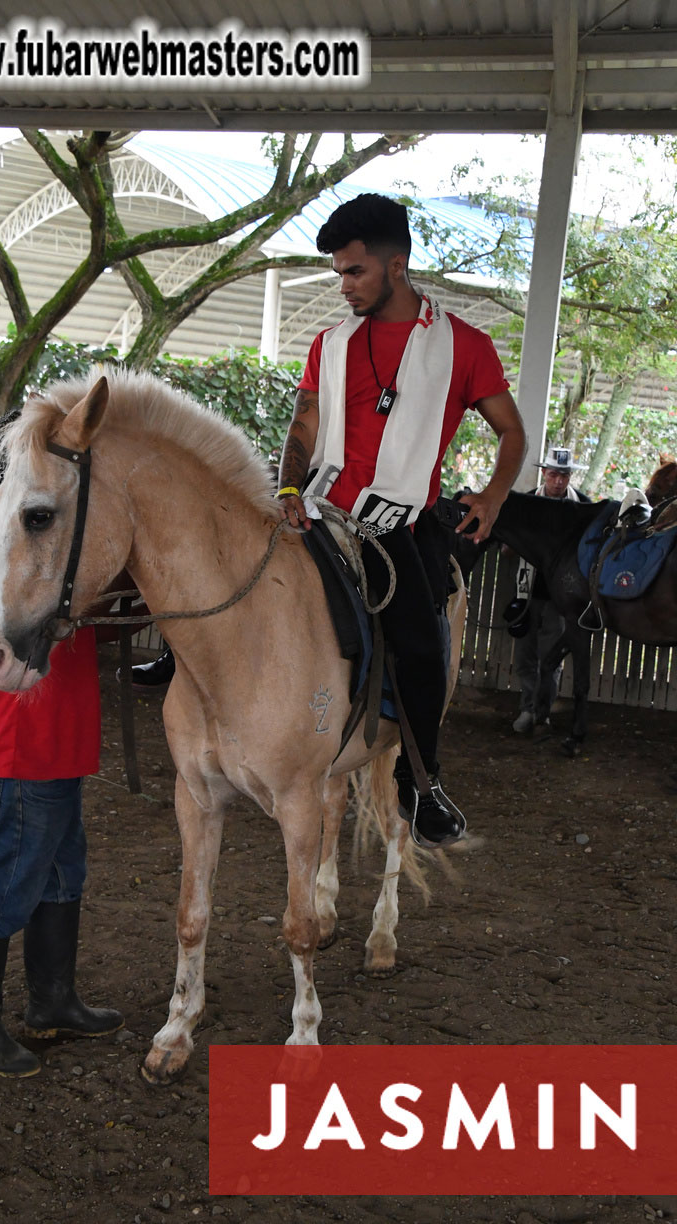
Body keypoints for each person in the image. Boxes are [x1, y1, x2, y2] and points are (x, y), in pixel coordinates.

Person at [276, 192, 526, 849]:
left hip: (396, 521)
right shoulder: (329, 343)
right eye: (338, 272)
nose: (343, 285)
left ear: (397, 265)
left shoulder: (464, 346)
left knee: (420, 641)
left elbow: (511, 432)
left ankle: (421, 784)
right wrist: (287, 486)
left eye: (353, 271)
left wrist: (495, 496)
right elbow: (304, 421)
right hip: (320, 503)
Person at [0, 425, 123, 1078]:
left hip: (58, 744)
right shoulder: (18, 537)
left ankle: (52, 1000)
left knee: (59, 877)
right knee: (9, 885)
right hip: (23, 748)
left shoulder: (49, 541)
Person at [508, 445, 590, 735]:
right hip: (527, 591)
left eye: (564, 476)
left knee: (551, 658)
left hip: (561, 598)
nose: (559, 481)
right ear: (544, 473)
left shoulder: (581, 507)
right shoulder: (527, 504)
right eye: (554, 474)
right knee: (525, 655)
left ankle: (542, 713)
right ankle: (528, 708)